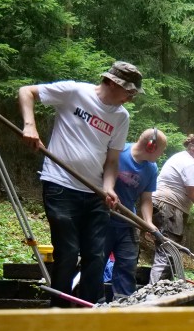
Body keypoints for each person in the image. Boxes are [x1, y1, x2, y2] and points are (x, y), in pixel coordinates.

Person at [19, 61, 144, 306]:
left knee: (96, 256)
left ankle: (86, 311)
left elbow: (112, 161)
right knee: (67, 252)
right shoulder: (75, 92)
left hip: (95, 193)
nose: (130, 98)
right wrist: (29, 125)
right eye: (128, 92)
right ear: (112, 82)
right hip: (60, 185)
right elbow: (26, 91)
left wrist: (108, 187)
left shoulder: (121, 117)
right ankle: (59, 311)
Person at [149, 133, 194, 284]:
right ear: (193, 149)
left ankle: (162, 291)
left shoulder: (182, 158)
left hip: (162, 205)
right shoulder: (189, 163)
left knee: (167, 250)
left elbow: (183, 182)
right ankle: (154, 293)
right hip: (169, 208)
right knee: (168, 252)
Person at [103, 128, 167, 300]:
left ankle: (123, 304)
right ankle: (91, 303)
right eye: (162, 150)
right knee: (96, 263)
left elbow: (146, 199)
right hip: (103, 219)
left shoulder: (151, 168)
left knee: (126, 266)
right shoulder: (120, 152)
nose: (161, 155)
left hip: (127, 223)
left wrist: (148, 222)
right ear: (151, 147)